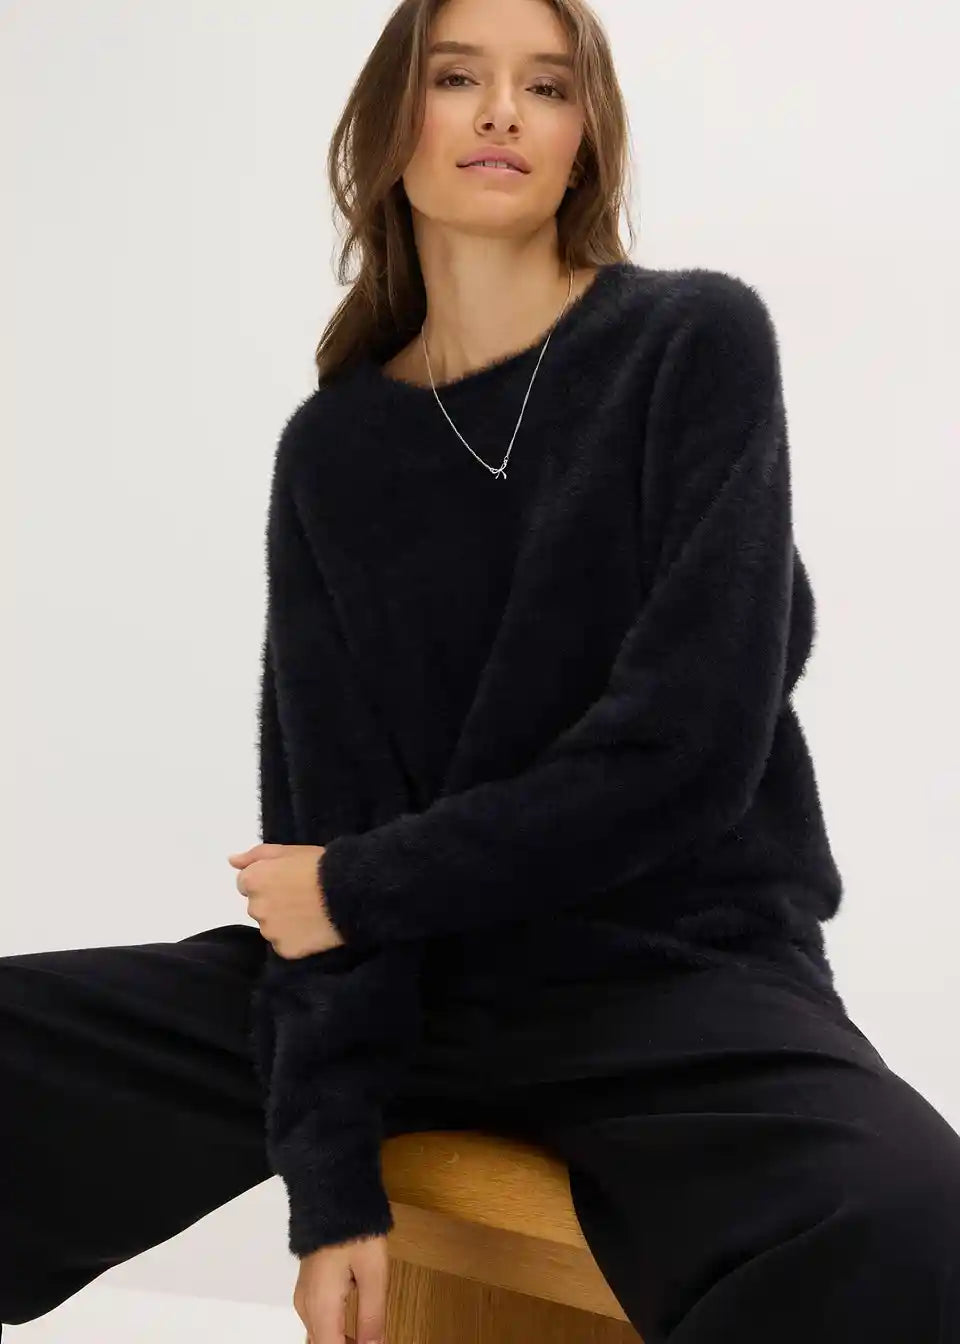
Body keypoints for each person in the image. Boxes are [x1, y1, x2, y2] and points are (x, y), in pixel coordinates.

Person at [3, 0, 960, 1341]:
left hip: (678, 983)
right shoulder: (334, 451)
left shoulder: (693, 343)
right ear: (393, 129)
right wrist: (331, 1185)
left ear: (584, 143)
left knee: (910, 1215)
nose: (504, 110)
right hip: (418, 986)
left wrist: (359, 887)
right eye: (459, 76)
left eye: (548, 87)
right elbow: (323, 825)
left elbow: (687, 749)